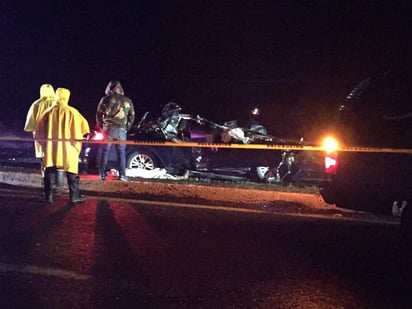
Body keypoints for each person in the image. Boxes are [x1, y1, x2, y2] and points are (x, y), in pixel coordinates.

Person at [36, 88, 90, 204]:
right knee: (71, 170)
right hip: (68, 148)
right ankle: (74, 197)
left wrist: (45, 144)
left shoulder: (48, 112)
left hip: (52, 148)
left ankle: (48, 197)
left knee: (49, 169)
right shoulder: (73, 112)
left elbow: (39, 132)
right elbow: (84, 127)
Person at [95, 80, 135, 181]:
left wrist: (101, 126)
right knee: (121, 152)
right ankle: (122, 175)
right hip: (121, 129)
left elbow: (98, 114)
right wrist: (127, 127)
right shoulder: (127, 100)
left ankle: (102, 174)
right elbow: (132, 115)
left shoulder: (106, 99)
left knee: (105, 152)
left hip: (108, 128)